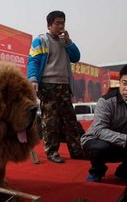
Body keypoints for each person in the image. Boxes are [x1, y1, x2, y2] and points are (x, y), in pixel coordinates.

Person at [27, 10, 84, 163]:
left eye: (63, 23)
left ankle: (76, 150)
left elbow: (76, 58)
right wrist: (33, 79)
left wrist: (69, 42)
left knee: (70, 120)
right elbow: (33, 61)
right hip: (48, 85)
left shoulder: (65, 42)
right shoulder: (41, 40)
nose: (60, 26)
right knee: (50, 121)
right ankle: (52, 152)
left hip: (65, 85)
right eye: (57, 23)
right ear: (49, 25)